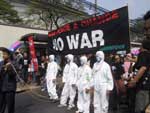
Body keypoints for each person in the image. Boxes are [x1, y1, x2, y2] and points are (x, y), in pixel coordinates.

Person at [127, 40, 150, 113]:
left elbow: (143, 68)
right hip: (146, 86)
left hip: (142, 86)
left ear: (143, 46)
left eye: (140, 45)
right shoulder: (147, 55)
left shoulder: (143, 54)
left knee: (140, 109)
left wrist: (134, 81)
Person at [0, 48, 17, 113]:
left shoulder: (13, 63)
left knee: (10, 107)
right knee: (1, 106)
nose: (3, 55)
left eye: (4, 54)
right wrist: (2, 69)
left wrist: (9, 68)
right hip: (1, 88)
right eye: (2, 54)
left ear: (9, 55)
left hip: (10, 88)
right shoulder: (1, 63)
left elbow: (13, 74)